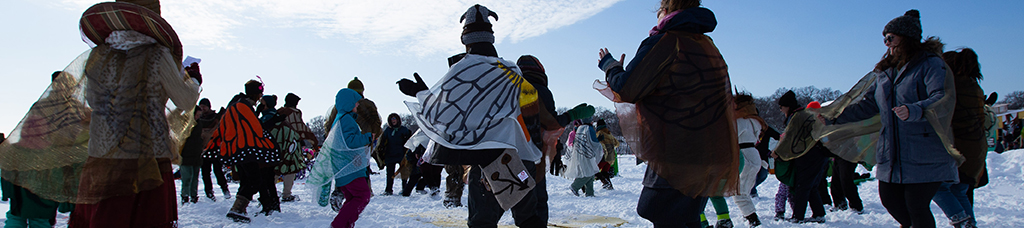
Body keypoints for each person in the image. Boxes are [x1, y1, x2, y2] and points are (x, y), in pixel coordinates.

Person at [398, 4, 549, 227]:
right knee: (528, 219)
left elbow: (444, 114)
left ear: (465, 40)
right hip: (516, 158)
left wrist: (420, 93)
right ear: (491, 38)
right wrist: (533, 149)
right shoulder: (512, 72)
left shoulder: (462, 69)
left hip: (484, 161)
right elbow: (531, 113)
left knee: (482, 222)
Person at [596, 0, 739, 227]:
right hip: (709, 151)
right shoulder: (707, 45)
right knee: (679, 215)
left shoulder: (667, 41)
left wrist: (610, 66)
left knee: (657, 208)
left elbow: (627, 88)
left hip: (676, 150)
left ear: (666, 11)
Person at [69, 1, 203, 226]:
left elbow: (92, 101)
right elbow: (185, 101)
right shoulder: (158, 54)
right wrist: (193, 80)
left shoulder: (98, 55)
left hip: (102, 157)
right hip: (147, 157)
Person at [823, 9, 959, 228]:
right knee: (890, 200)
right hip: (892, 152)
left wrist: (914, 109)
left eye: (890, 37)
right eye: (884, 39)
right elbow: (867, 105)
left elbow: (942, 97)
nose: (886, 43)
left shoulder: (930, 64)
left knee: (916, 205)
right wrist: (834, 117)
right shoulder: (885, 72)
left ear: (906, 37)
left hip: (924, 151)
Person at [208, 80, 281, 223]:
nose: (260, 96)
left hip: (237, 150)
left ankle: (242, 208)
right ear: (254, 93)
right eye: (259, 93)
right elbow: (257, 129)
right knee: (255, 180)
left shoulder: (237, 105)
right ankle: (237, 209)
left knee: (248, 180)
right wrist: (273, 121)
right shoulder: (243, 107)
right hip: (245, 149)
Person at [931, 48, 987, 228]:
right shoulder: (973, 86)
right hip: (975, 151)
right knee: (959, 190)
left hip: (960, 149)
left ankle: (962, 222)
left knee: (937, 187)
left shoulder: (953, 86)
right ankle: (969, 224)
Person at [310, 88, 374, 228]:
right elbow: (349, 142)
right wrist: (367, 137)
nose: (357, 105)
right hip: (349, 168)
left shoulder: (340, 119)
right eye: (356, 103)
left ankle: (345, 224)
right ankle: (338, 225)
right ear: (348, 103)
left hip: (343, 167)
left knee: (352, 198)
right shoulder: (346, 120)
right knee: (362, 195)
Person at [269, 93, 319, 202]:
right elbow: (301, 128)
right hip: (291, 146)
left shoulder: (279, 112)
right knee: (290, 169)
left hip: (277, 145)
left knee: (276, 169)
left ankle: (269, 191)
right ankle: (286, 194)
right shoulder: (295, 113)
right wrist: (313, 141)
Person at [731, 94, 766, 226]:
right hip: (753, 155)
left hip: (745, 156)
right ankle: (749, 216)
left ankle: (753, 219)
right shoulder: (755, 121)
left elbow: (730, 137)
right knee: (743, 191)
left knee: (739, 192)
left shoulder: (742, 122)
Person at [179, 98, 216, 204]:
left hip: (196, 154)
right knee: (187, 177)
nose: (198, 117)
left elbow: (208, 126)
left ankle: (193, 196)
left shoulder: (199, 123)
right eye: (197, 115)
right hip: (186, 155)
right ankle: (185, 196)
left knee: (195, 177)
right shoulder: (185, 124)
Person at [563, 119, 602, 197]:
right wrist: (599, 140)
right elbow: (593, 141)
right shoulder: (587, 129)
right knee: (588, 172)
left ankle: (590, 193)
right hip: (585, 155)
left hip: (581, 154)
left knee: (590, 173)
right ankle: (575, 186)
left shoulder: (581, 129)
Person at [381, 113, 413, 195]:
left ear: (398, 120)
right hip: (390, 154)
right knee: (390, 173)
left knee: (404, 173)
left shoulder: (404, 130)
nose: (393, 120)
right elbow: (382, 142)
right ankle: (388, 190)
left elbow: (409, 141)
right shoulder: (387, 130)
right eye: (391, 119)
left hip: (401, 154)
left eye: (395, 118)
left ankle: (405, 189)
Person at [594, 119, 618, 190]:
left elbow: (596, 144)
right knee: (605, 172)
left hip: (603, 156)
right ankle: (609, 186)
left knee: (594, 170)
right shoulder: (609, 133)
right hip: (611, 157)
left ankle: (605, 182)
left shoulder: (599, 133)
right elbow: (617, 143)